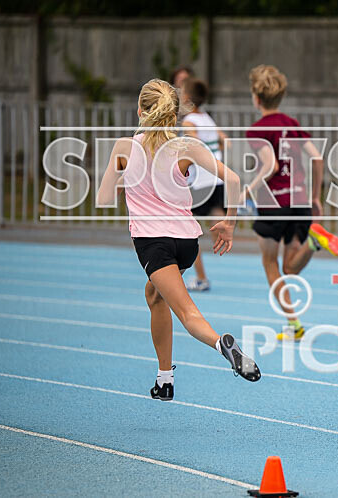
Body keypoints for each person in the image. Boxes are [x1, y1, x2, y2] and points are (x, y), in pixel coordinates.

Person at [96, 79, 260, 402]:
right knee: (154, 295)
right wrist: (229, 223)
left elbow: (103, 198)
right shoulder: (186, 147)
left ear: (140, 111)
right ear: (174, 116)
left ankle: (222, 343)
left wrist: (123, 181)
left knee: (187, 313)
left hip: (153, 243)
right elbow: (235, 180)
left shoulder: (125, 147)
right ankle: (165, 379)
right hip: (187, 242)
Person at [245, 64, 338, 341]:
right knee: (290, 267)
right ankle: (313, 242)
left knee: (270, 263)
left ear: (256, 98)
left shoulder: (256, 130)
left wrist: (247, 190)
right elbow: (317, 158)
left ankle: (293, 322)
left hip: (273, 203)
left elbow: (271, 165)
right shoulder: (292, 124)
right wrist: (314, 196)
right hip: (300, 200)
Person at [180, 78, 230, 292]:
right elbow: (224, 140)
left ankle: (201, 277)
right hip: (215, 178)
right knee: (216, 217)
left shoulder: (189, 121)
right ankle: (224, 237)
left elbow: (194, 144)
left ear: (188, 99)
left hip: (199, 179)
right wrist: (215, 156)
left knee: (188, 229)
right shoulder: (207, 118)